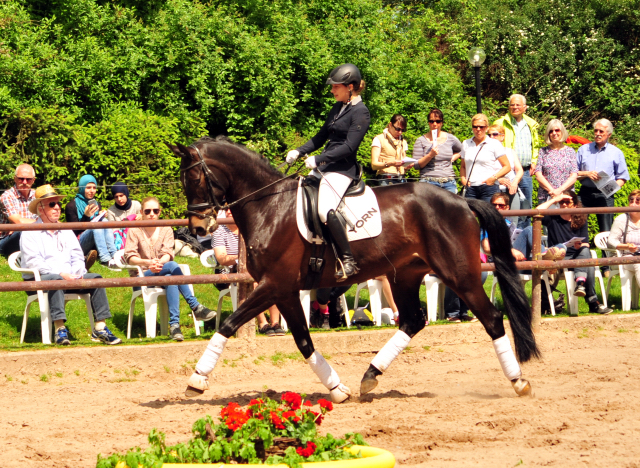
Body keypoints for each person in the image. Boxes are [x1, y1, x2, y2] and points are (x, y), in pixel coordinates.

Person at [285, 63, 371, 280]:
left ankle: (348, 260)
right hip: (324, 166)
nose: (332, 91)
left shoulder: (361, 112)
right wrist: (299, 150)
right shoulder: (337, 108)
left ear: (350, 87)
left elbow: (350, 147)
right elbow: (320, 137)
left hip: (342, 170)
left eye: (336, 87)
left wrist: (319, 159)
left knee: (325, 209)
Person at [19, 185, 122, 345]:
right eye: (52, 204)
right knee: (55, 280)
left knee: (97, 279)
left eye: (59, 204)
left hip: (69, 277)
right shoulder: (29, 232)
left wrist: (78, 272)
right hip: (40, 278)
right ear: (40, 209)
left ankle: (100, 328)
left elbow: (77, 255)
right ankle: (59, 329)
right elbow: (34, 262)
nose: (57, 208)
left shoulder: (65, 230)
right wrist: (62, 274)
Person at [124, 197, 215, 341]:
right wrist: (149, 264)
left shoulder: (166, 228)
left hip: (162, 272)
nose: (152, 214)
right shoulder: (134, 229)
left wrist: (158, 264)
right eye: (147, 211)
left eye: (155, 211)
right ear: (141, 212)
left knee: (171, 279)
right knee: (173, 266)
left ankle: (174, 326)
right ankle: (195, 306)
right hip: (141, 276)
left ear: (160, 212)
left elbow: (168, 253)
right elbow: (130, 256)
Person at [212, 208, 285, 336]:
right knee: (256, 283)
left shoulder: (250, 228)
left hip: (254, 266)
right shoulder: (219, 231)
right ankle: (263, 323)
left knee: (273, 280)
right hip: (231, 271)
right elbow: (222, 259)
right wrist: (241, 256)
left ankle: (275, 323)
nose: (229, 211)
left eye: (231, 208)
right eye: (226, 209)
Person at [539, 191, 612, 314]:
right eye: (562, 202)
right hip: (559, 257)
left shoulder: (580, 218)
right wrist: (554, 200)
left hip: (576, 256)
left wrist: (579, 246)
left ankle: (580, 283)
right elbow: (537, 211)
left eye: (568, 202)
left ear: (575, 205)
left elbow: (586, 243)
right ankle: (592, 300)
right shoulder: (553, 217)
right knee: (586, 261)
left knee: (585, 251)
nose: (565, 205)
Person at [577, 118, 629, 276]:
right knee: (579, 226)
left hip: (605, 193)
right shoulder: (583, 149)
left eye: (601, 132)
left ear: (609, 134)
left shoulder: (616, 152)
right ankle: (580, 264)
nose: (597, 134)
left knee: (607, 230)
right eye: (596, 131)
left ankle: (606, 267)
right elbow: (574, 173)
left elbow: (623, 177)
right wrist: (587, 173)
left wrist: (612, 189)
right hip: (585, 191)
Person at [493, 94, 541, 228]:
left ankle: (524, 238)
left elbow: (535, 144)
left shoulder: (531, 124)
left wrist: (534, 160)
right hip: (506, 173)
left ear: (525, 107)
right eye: (512, 104)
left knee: (526, 207)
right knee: (505, 206)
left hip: (525, 172)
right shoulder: (500, 123)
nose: (514, 107)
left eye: (518, 105)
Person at [65, 175, 117, 268]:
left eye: (94, 188)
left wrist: (100, 215)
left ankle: (114, 254)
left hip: (94, 240)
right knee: (95, 224)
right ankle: (105, 259)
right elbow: (73, 232)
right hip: (78, 242)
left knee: (104, 220)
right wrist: (86, 216)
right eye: (88, 188)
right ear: (82, 188)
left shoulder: (96, 204)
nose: (92, 191)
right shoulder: (71, 206)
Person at [460, 114, 511, 202]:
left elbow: (507, 166)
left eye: (481, 127)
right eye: (475, 127)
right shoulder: (466, 143)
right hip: (470, 187)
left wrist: (493, 178)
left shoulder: (494, 143)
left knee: (487, 215)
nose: (478, 129)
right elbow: (463, 166)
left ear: (487, 128)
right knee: (470, 215)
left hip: (488, 187)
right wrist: (463, 179)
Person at [411, 108, 462, 193]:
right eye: (431, 121)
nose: (435, 124)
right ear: (428, 123)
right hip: (428, 181)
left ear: (441, 123)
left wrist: (453, 157)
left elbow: (463, 150)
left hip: (448, 181)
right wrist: (430, 155)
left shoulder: (450, 138)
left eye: (438, 121)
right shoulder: (421, 140)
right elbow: (416, 165)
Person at [487, 124, 524, 224]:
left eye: (494, 134)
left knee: (513, 220)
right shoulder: (486, 153)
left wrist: (515, 182)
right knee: (493, 221)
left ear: (502, 137)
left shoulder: (510, 152)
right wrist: (498, 180)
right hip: (494, 189)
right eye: (489, 135)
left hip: (511, 188)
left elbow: (519, 170)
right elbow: (483, 173)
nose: (491, 137)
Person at [534, 119, 578, 202]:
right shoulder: (543, 151)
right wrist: (552, 191)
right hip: (546, 196)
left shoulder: (570, 151)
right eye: (551, 131)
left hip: (566, 196)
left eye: (557, 130)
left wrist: (560, 190)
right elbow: (538, 174)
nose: (554, 133)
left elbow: (574, 175)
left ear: (562, 132)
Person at [0, 164, 38, 257]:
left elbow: (46, 217)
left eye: (28, 179)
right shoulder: (7, 196)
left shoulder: (37, 196)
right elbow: (18, 221)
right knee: (23, 231)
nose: (24, 182)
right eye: (21, 179)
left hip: (32, 236)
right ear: (15, 179)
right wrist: (40, 223)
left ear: (33, 180)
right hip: (6, 240)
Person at [608, 190, 640, 288]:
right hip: (624, 256)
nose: (633, 204)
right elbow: (611, 241)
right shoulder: (622, 219)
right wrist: (626, 247)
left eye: (637, 201)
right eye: (631, 201)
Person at [370, 114, 407, 186]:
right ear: (390, 124)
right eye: (398, 129)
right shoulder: (379, 139)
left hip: (401, 179)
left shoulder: (403, 142)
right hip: (385, 179)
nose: (400, 132)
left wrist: (407, 166)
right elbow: (374, 165)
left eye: (403, 130)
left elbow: (404, 165)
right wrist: (390, 163)